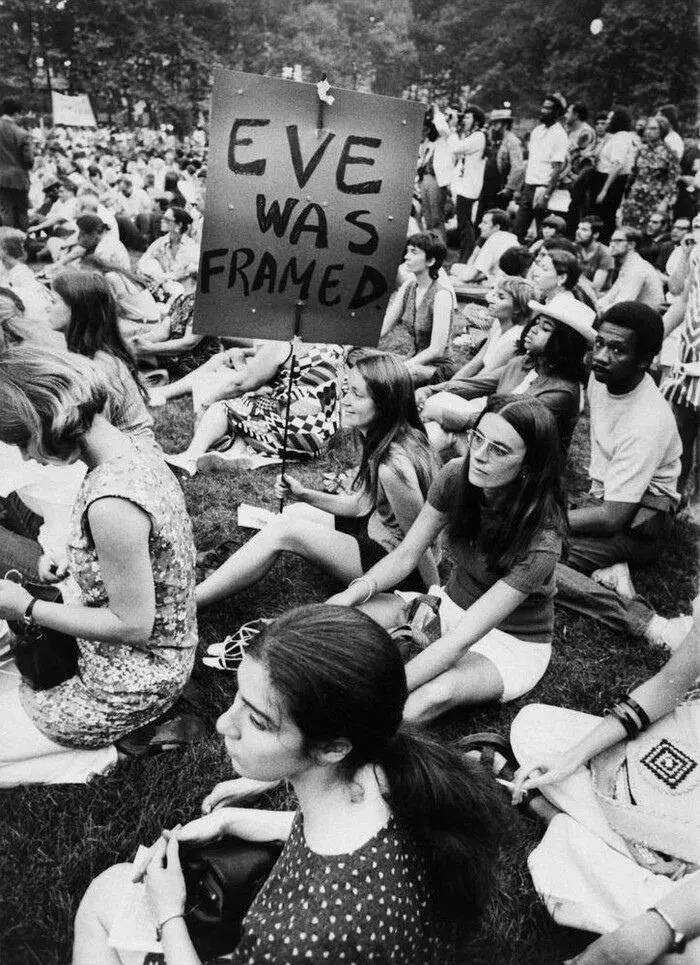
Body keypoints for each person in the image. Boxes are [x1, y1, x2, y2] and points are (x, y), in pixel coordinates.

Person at [73, 605, 506, 965]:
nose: (224, 723)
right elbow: (324, 832)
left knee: (106, 897)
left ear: (333, 748)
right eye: (238, 698)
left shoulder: (304, 934)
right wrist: (232, 819)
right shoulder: (386, 775)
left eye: (258, 720)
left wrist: (169, 913)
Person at [0, 347, 197, 786]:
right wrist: (73, 562)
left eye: (20, 442)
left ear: (47, 420)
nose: (26, 457)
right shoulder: (127, 451)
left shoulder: (112, 502)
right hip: (126, 655)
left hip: (131, 678)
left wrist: (27, 607)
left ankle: (110, 754)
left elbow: (133, 625)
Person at [329, 395, 567, 723]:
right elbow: (406, 555)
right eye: (477, 439)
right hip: (450, 606)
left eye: (499, 450)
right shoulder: (457, 475)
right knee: (339, 619)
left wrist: (383, 693)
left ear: (530, 467)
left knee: (434, 694)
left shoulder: (542, 538)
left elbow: (459, 641)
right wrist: (352, 593)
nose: (479, 457)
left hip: (511, 641)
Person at [196, 351, 439, 654]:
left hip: (394, 564)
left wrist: (434, 596)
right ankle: (227, 573)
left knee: (285, 531)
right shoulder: (384, 436)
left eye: (356, 395)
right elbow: (361, 506)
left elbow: (421, 546)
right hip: (374, 529)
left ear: (384, 403)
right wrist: (304, 494)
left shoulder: (394, 466)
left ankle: (194, 600)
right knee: (296, 511)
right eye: (346, 390)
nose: (345, 400)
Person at [504, 611, 700, 962]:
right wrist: (571, 757)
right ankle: (637, 866)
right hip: (681, 748)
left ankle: (560, 824)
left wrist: (663, 923)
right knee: (533, 728)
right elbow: (670, 683)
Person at [554, 302, 692, 652]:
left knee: (532, 558)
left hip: (637, 522)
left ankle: (645, 622)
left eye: (617, 349)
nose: (600, 355)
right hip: (604, 498)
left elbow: (613, 516)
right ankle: (611, 565)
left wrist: (548, 519)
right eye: (600, 343)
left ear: (645, 361)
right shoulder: (604, 375)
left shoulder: (646, 421)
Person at [417, 293, 593, 458]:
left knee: (441, 429)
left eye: (545, 329)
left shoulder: (561, 392)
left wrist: (443, 415)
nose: (533, 330)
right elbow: (476, 385)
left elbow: (507, 419)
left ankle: (411, 468)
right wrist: (430, 390)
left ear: (564, 344)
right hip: (493, 436)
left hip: (520, 458)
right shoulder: (524, 363)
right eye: (537, 323)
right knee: (440, 401)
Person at [162, 341, 342, 476]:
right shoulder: (334, 344)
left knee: (224, 405)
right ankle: (236, 451)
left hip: (295, 431)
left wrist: (205, 404)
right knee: (257, 405)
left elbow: (241, 383)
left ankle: (190, 457)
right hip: (322, 437)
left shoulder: (281, 344)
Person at [49, 270, 156, 447]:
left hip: (131, 455)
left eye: (54, 302)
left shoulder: (100, 366)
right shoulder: (84, 354)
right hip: (118, 448)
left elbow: (92, 433)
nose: (48, 307)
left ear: (77, 309)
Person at [661, 213, 700, 519]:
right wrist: (654, 335)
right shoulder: (696, 253)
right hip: (690, 348)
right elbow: (682, 298)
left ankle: (697, 502)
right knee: (681, 428)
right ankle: (675, 492)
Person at [381, 231, 457, 386]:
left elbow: (437, 349)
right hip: (412, 359)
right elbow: (384, 327)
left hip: (437, 367)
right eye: (407, 251)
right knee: (364, 359)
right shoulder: (409, 286)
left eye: (413, 252)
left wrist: (402, 367)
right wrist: (353, 343)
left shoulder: (441, 295)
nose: (406, 256)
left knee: (394, 378)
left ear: (430, 261)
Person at [514, 93, 569, 242]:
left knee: (542, 233)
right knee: (518, 229)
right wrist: (520, 187)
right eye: (543, 107)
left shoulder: (559, 135)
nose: (543, 111)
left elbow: (557, 168)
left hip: (543, 188)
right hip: (528, 186)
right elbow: (531, 162)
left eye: (548, 109)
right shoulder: (537, 131)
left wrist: (546, 196)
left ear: (557, 113)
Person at [620, 116, 681, 234]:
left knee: (649, 233)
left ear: (662, 130)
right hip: (635, 199)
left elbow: (673, 181)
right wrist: (624, 199)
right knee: (629, 232)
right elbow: (632, 176)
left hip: (655, 201)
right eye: (647, 128)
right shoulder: (641, 150)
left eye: (653, 129)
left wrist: (665, 202)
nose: (648, 132)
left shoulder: (669, 153)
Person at [591, 107, 636, 243]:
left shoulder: (621, 138)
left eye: (610, 119)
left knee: (606, 216)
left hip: (611, 180)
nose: (607, 121)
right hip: (606, 178)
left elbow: (617, 165)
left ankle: (604, 243)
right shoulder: (618, 137)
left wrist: (604, 190)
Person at [598, 227, 665, 313]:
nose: (612, 244)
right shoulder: (628, 265)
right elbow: (610, 297)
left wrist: (598, 312)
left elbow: (621, 305)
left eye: (618, 241)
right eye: (611, 240)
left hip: (645, 321)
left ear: (631, 245)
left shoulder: (637, 268)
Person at [475, 106, 524, 223]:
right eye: (492, 123)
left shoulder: (512, 142)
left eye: (496, 124)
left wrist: (509, 188)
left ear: (505, 124)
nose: (493, 127)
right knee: (479, 221)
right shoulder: (491, 139)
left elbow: (518, 168)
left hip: (499, 190)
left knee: (494, 221)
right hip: (485, 189)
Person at [453, 105, 488, 262]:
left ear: (476, 121)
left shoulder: (478, 137)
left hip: (469, 188)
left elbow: (456, 148)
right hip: (466, 186)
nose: (464, 120)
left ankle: (466, 258)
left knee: (465, 226)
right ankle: (465, 256)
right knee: (464, 225)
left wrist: (453, 128)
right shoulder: (474, 136)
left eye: (468, 117)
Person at [449, 208, 518, 284]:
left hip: (500, 285)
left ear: (496, 227)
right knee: (455, 267)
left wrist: (454, 280)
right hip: (507, 280)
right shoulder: (511, 237)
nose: (479, 226)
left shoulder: (494, 239)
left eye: (485, 223)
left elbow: (471, 275)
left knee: (451, 279)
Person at [0, 97, 33, 230]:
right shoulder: (21, 133)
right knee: (21, 211)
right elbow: (29, 160)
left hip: (0, 177)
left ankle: (7, 243)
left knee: (5, 210)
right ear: (17, 113)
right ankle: (23, 243)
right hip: (18, 178)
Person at [575, 215, 615, 292]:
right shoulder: (574, 247)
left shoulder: (605, 254)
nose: (578, 232)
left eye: (584, 230)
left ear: (595, 235)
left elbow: (596, 288)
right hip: (577, 291)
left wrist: (572, 273)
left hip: (598, 297)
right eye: (578, 228)